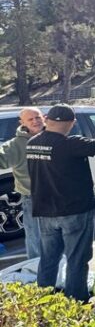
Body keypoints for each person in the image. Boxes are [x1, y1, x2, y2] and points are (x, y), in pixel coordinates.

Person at [27, 104, 95, 302]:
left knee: (49, 259)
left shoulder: (32, 143)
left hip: (45, 212)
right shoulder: (71, 144)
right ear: (72, 123)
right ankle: (76, 304)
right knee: (77, 259)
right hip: (73, 211)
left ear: (46, 119)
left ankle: (44, 303)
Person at [0, 107, 45, 265]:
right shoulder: (16, 145)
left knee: (59, 238)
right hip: (34, 200)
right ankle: (39, 275)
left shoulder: (53, 136)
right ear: (22, 122)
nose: (35, 121)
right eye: (30, 119)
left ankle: (61, 272)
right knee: (36, 240)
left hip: (59, 197)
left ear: (44, 117)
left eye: (37, 117)